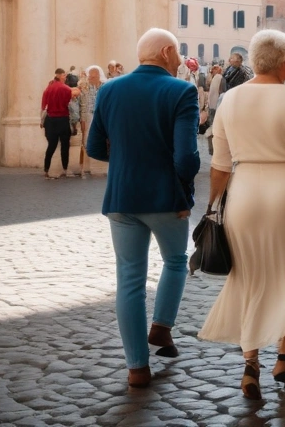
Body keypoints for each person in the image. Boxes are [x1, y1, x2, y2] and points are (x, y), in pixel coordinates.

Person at [199, 30, 285, 400]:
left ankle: (250, 364)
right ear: (284, 64)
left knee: (249, 276)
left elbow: (220, 165)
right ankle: (283, 359)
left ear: (255, 62)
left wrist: (212, 206)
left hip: (244, 195)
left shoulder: (230, 99)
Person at [86, 28, 200, 389]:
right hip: (166, 198)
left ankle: (137, 368)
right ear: (166, 52)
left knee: (129, 280)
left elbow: (94, 148)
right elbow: (186, 158)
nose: (180, 60)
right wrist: (185, 194)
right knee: (176, 261)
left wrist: (125, 159)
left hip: (122, 197)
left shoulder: (108, 90)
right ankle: (161, 326)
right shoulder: (181, 91)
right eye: (178, 53)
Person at [41, 69, 73, 179]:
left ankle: (46, 169)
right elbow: (70, 103)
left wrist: (42, 121)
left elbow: (43, 106)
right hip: (63, 119)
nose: (65, 77)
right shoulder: (66, 89)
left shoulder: (48, 88)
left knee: (51, 146)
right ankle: (65, 169)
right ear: (59, 75)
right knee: (65, 145)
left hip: (50, 121)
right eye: (64, 75)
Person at [78, 65, 107, 178]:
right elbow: (83, 105)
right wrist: (83, 120)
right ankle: (87, 168)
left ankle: (102, 167)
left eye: (93, 77)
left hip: (102, 117)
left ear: (99, 76)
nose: (90, 79)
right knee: (88, 141)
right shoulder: (85, 88)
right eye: (89, 77)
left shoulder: (105, 87)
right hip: (89, 117)